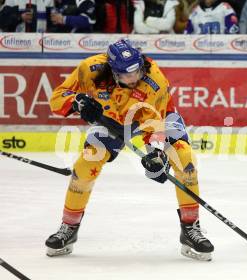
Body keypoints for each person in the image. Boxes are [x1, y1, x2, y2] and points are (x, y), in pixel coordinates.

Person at [47, 39, 214, 261]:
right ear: (114, 72)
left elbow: (153, 124)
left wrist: (155, 153)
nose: (134, 78)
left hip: (157, 118)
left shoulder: (154, 79)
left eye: (137, 71)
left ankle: (190, 227)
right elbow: (57, 98)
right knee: (86, 164)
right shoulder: (90, 69)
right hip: (111, 120)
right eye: (126, 75)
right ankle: (68, 227)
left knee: (183, 156)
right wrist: (77, 101)